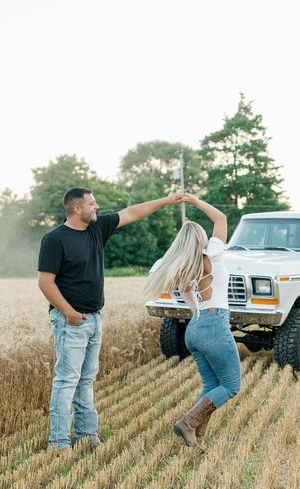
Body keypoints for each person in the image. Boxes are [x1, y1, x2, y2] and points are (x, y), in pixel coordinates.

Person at [38, 187, 184, 451]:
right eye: (92, 204)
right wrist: (70, 313)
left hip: (94, 319)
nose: (97, 207)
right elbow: (45, 283)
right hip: (70, 322)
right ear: (76, 209)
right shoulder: (54, 239)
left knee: (86, 379)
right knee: (67, 380)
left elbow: (132, 212)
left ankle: (87, 435)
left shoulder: (97, 228)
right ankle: (58, 442)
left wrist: (166, 201)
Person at [144, 193, 241, 450]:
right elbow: (220, 218)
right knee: (231, 386)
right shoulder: (212, 254)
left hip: (195, 326)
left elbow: (188, 297)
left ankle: (196, 438)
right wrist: (196, 201)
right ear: (201, 239)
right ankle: (188, 423)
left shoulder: (185, 266)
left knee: (211, 384)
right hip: (213, 323)